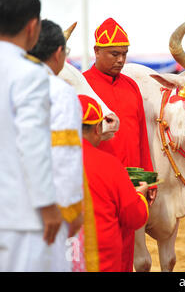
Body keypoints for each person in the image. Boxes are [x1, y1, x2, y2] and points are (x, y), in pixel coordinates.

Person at [82, 17, 154, 271]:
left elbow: (142, 137)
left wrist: (149, 177)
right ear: (96, 51)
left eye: (124, 54)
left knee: (127, 251)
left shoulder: (131, 86)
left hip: (130, 184)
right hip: (96, 186)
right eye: (114, 54)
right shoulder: (83, 85)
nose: (121, 60)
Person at [0, 0, 62, 271]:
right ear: (32, 26)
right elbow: (32, 142)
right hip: (19, 216)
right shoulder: (29, 73)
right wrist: (47, 204)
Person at [28, 19, 84, 271]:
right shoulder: (60, 91)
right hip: (47, 207)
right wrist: (71, 210)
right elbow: (65, 155)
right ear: (59, 52)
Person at [79, 94, 156, 272]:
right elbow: (135, 216)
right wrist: (140, 195)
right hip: (102, 261)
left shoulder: (45, 161)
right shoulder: (109, 165)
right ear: (98, 128)